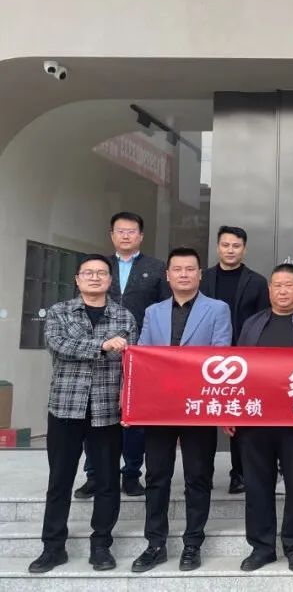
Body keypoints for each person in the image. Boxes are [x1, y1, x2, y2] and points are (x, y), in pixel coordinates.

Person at [29, 255, 138, 574]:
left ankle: (101, 545)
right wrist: (102, 346)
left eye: (101, 273)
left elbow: (132, 364)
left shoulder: (124, 316)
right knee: (60, 480)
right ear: (77, 279)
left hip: (107, 409)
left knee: (107, 481)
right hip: (65, 407)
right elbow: (59, 345)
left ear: (110, 280)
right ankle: (53, 547)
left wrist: (131, 403)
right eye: (88, 273)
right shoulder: (60, 312)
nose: (94, 277)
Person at [131, 247, 232, 574]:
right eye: (178, 269)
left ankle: (193, 544)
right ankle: (155, 544)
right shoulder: (153, 312)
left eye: (190, 269)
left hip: (199, 405)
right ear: (168, 275)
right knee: (156, 476)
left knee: (198, 477)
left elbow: (220, 356)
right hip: (160, 407)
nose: (184, 274)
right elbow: (144, 355)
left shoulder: (218, 309)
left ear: (200, 274)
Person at [231, 264, 293, 573]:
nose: (283, 291)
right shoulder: (251, 324)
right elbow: (237, 369)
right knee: (257, 485)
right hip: (255, 418)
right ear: (269, 290)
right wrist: (232, 409)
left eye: (289, 285)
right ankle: (261, 547)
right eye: (277, 285)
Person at [77, 211, 170, 500]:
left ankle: (131, 474)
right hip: (100, 352)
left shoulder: (156, 268)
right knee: (96, 416)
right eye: (120, 231)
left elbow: (164, 310)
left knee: (134, 416)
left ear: (141, 236)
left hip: (139, 354)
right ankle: (94, 474)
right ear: (112, 235)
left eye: (131, 231)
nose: (126, 236)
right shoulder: (99, 267)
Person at [200, 224, 270, 495]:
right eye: (226, 245)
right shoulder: (203, 278)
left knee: (240, 417)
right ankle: (202, 474)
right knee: (205, 416)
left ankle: (238, 473)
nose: (230, 250)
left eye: (236, 246)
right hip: (206, 357)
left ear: (244, 249)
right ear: (218, 247)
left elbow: (263, 319)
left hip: (243, 358)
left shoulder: (257, 282)